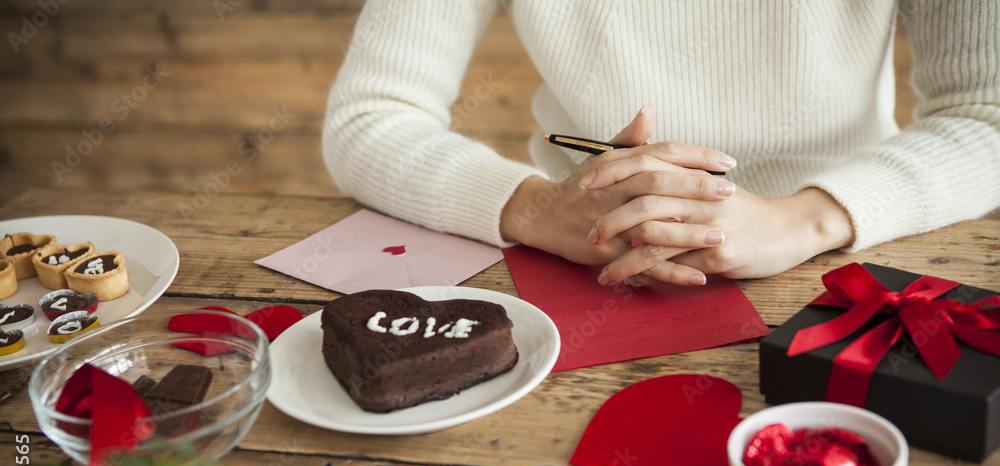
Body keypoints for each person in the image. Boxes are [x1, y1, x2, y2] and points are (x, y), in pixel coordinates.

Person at [322, 1, 1000, 288]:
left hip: (857, 249)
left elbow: (987, 115)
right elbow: (369, 117)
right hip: (582, 259)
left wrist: (808, 217)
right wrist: (534, 207)